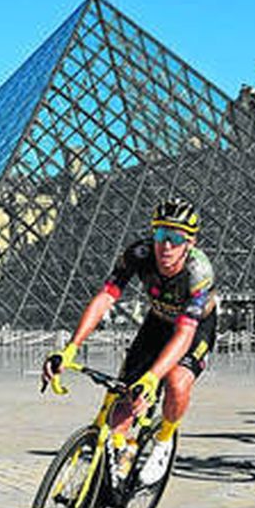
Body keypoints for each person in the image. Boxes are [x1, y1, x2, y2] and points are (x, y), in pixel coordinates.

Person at [41, 197, 217, 485]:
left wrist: (152, 378)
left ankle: (164, 441)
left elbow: (185, 334)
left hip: (194, 329)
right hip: (158, 322)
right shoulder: (139, 253)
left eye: (175, 238)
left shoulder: (199, 273)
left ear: (191, 242)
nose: (166, 246)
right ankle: (117, 465)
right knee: (123, 402)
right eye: (161, 235)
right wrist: (71, 348)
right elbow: (105, 297)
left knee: (174, 381)